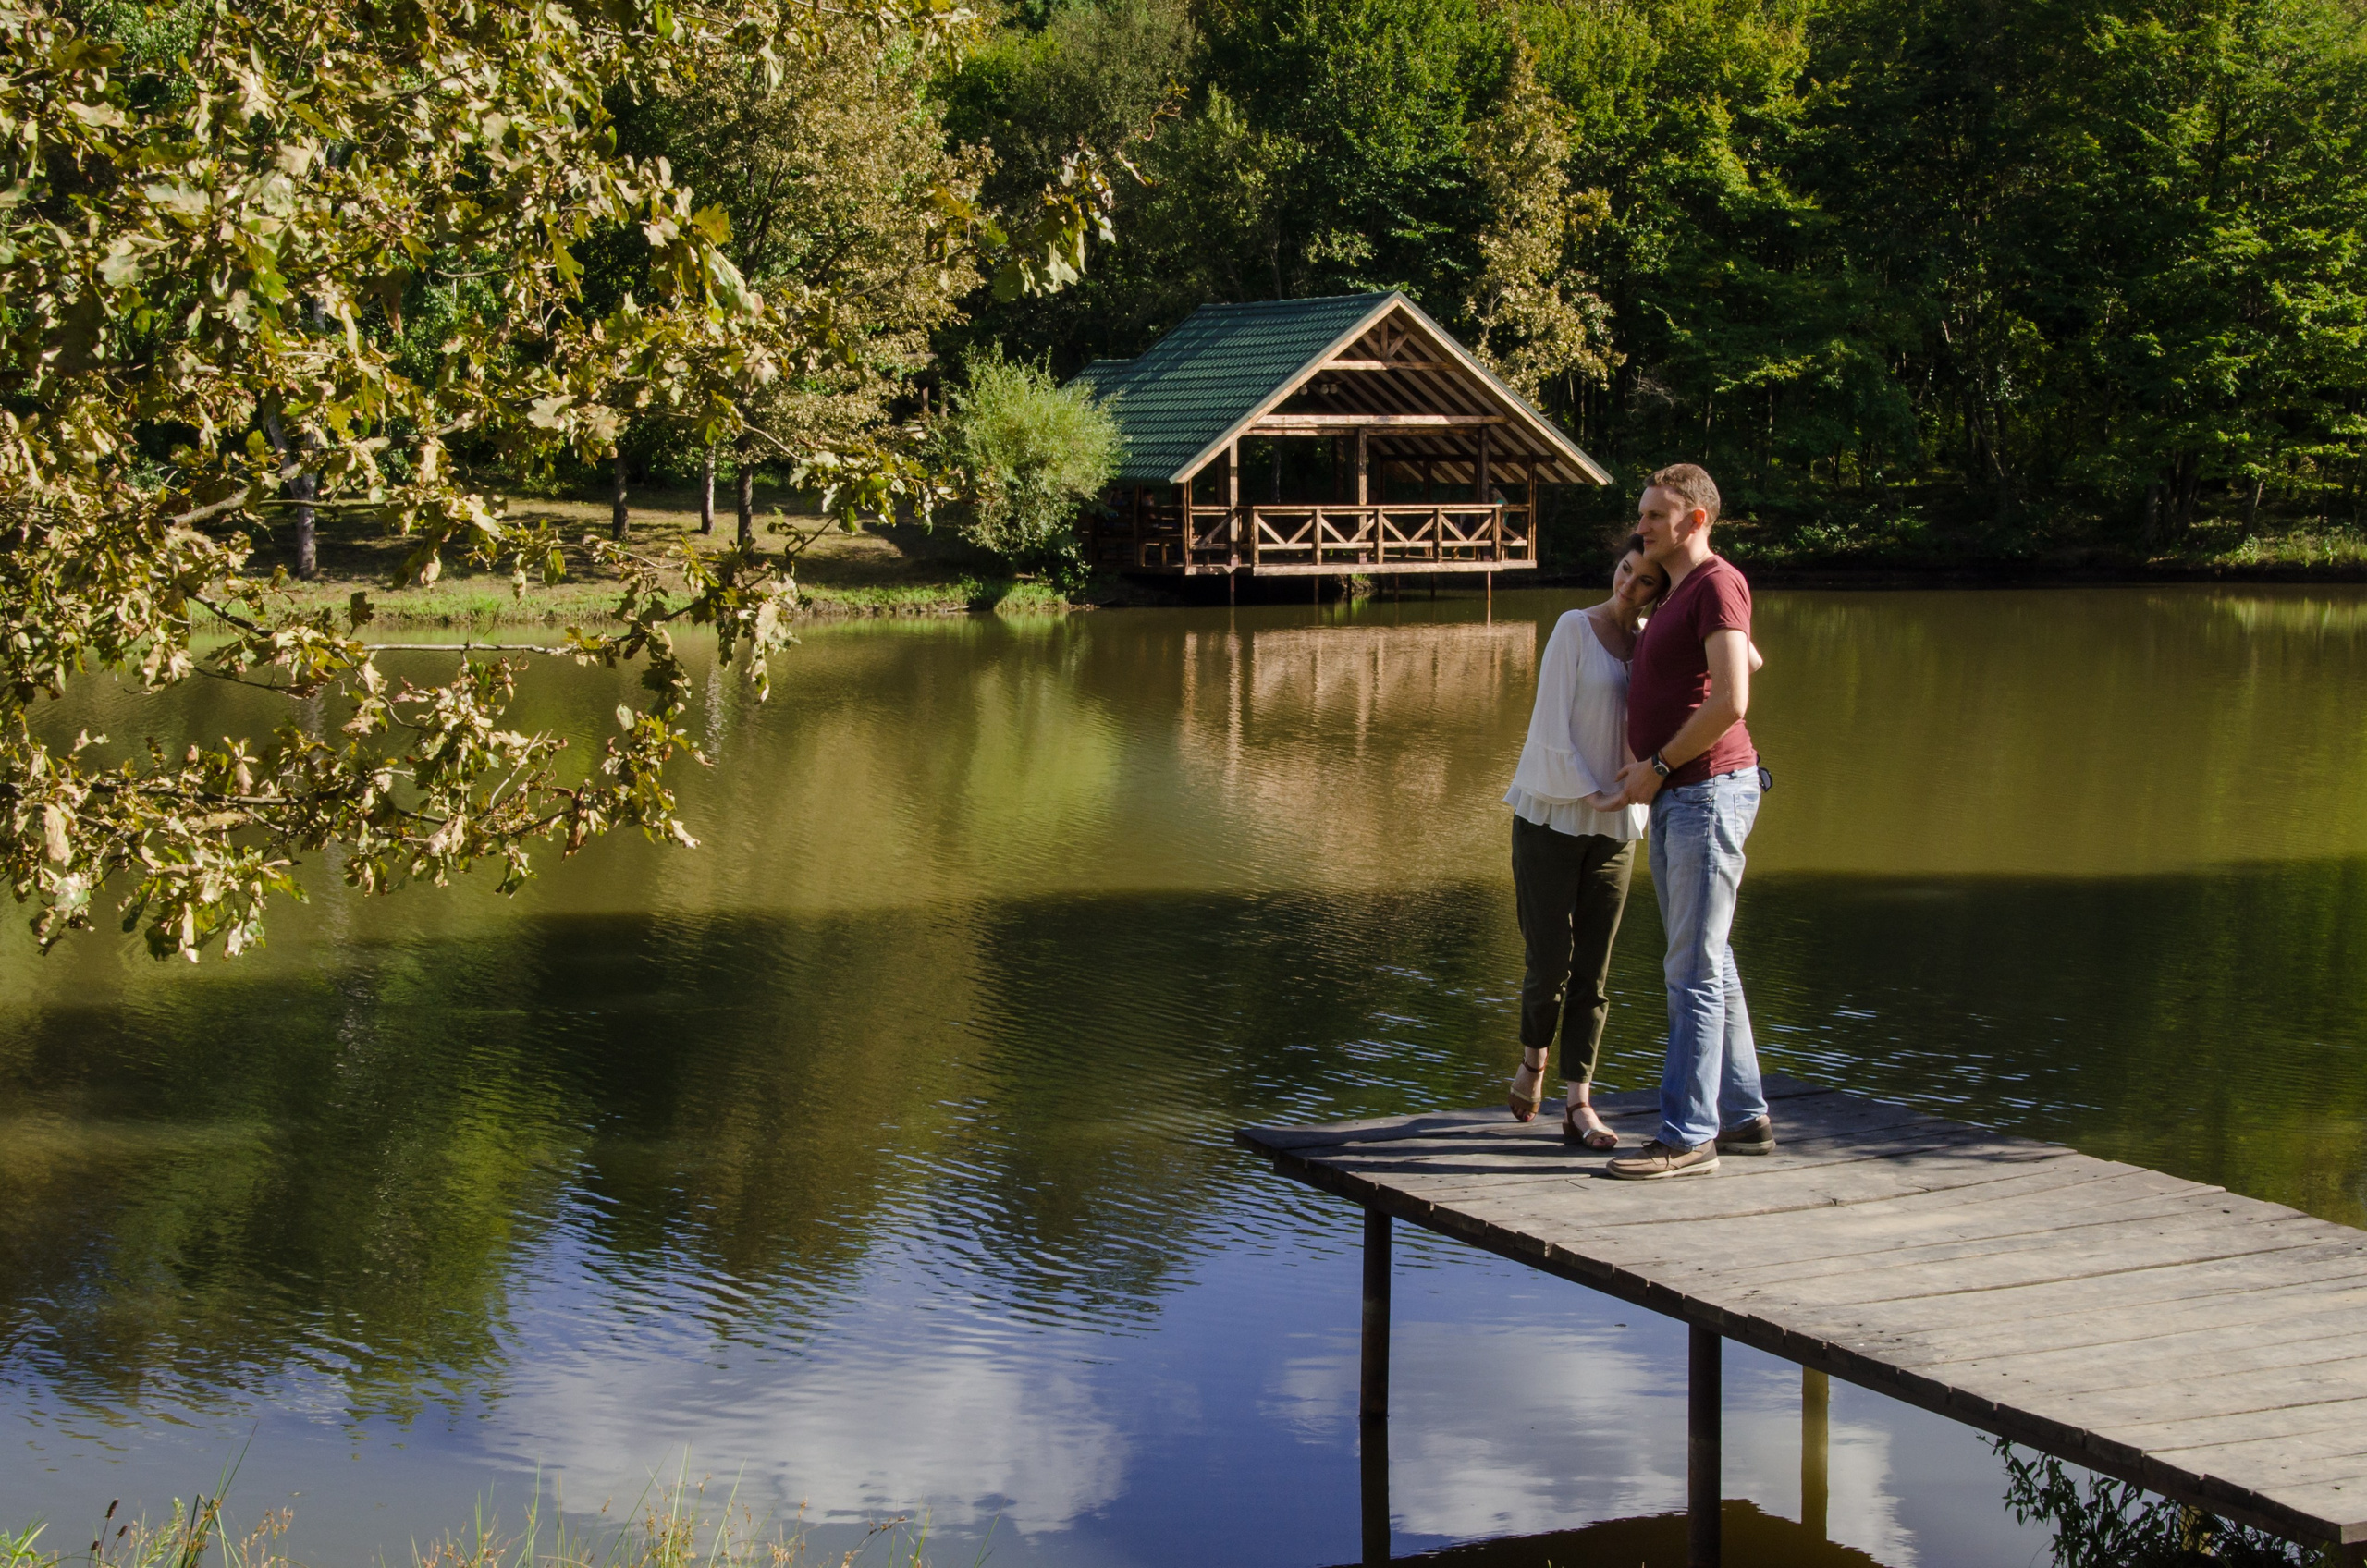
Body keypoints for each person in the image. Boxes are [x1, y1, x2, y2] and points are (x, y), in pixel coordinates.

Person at [1604, 463, 1772, 1181]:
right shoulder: (1684, 593)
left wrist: (1660, 766)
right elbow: (1748, 657)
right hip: (1686, 794)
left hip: (1705, 791)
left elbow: (1734, 697)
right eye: (1641, 514)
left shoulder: (1716, 582)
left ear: (1695, 519)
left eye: (1654, 516)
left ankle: (1687, 1136)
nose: (1641, 526)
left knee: (1692, 969)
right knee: (1709, 960)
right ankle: (1745, 1116)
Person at [1502, 534, 1670, 1149]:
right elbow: (1548, 724)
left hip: (1617, 826)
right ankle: (1533, 1061)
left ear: (1661, 590)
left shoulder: (1655, 645)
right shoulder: (1575, 628)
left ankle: (1579, 1101)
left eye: (1646, 579)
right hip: (1552, 815)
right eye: (1626, 570)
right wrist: (1594, 793)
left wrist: (1626, 800)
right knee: (1549, 964)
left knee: (1593, 971)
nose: (1628, 585)